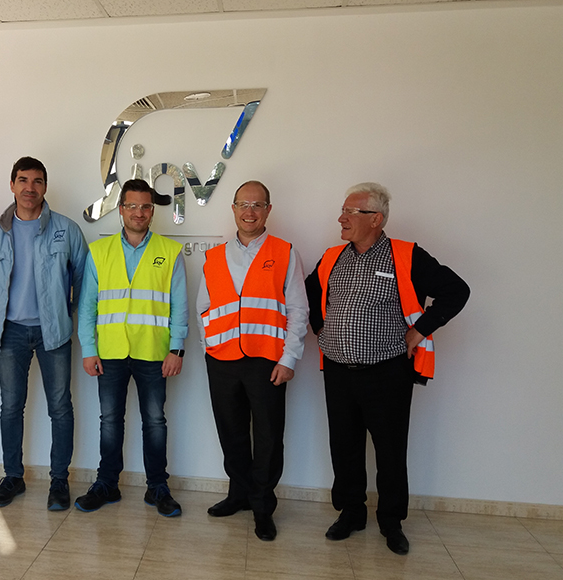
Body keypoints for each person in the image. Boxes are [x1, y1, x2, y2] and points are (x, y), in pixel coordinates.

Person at [305, 182, 469, 555]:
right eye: (342, 211)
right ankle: (351, 513)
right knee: (344, 446)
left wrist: (420, 329)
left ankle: (391, 522)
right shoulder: (332, 257)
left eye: (350, 212)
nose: (341, 219)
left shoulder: (407, 256)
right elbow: (309, 293)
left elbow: (456, 291)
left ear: (376, 219)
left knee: (390, 450)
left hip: (387, 372)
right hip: (338, 371)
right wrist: (321, 329)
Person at [195, 180, 308, 542]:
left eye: (257, 205)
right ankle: (239, 493)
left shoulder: (285, 252)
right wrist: (209, 349)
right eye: (243, 204)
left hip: (267, 361)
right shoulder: (215, 256)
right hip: (222, 360)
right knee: (231, 432)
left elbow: (298, 309)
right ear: (233, 209)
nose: (249, 212)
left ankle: (262, 506)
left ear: (268, 210)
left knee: (269, 436)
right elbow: (204, 308)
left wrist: (289, 358)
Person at [0, 157, 88, 511]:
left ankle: (59, 481)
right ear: (12, 185)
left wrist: (64, 311)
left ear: (45, 186)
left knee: (60, 407)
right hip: (10, 332)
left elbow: (82, 279)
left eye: (37, 181)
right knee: (11, 407)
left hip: (53, 332)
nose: (30, 187)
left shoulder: (66, 230)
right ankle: (13, 477)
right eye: (23, 180)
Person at [76, 178, 187, 517]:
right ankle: (107, 484)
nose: (139, 212)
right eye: (132, 206)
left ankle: (157, 487)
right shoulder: (99, 251)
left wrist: (177, 349)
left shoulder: (169, 252)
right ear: (121, 210)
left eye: (145, 206)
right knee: (110, 420)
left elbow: (179, 305)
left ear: (152, 211)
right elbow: (87, 306)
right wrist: (88, 349)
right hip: (109, 352)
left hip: (154, 352)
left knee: (155, 421)